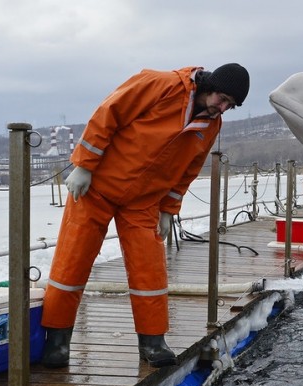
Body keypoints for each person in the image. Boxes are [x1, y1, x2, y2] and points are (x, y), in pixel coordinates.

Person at [41, 63, 250, 368]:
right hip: (96, 188)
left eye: (230, 105)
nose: (223, 107)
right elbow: (108, 114)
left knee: (149, 270)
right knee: (71, 263)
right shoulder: (160, 84)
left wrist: (168, 210)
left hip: (143, 202)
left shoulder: (211, 126)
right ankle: (57, 342)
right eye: (222, 98)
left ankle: (153, 342)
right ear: (209, 85)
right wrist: (84, 165)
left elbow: (188, 171)